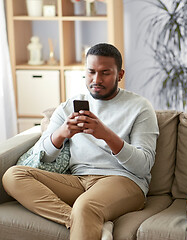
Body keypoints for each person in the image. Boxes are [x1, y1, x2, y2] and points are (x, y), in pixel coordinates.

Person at [2, 43, 159, 240]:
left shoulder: (140, 108)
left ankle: (87, 217)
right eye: (91, 72)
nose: (96, 79)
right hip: (78, 180)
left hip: (123, 181)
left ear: (120, 75)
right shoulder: (69, 107)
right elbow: (42, 155)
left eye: (105, 73)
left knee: (86, 206)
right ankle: (89, 224)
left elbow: (143, 166)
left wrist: (106, 135)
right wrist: (61, 134)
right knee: (13, 176)